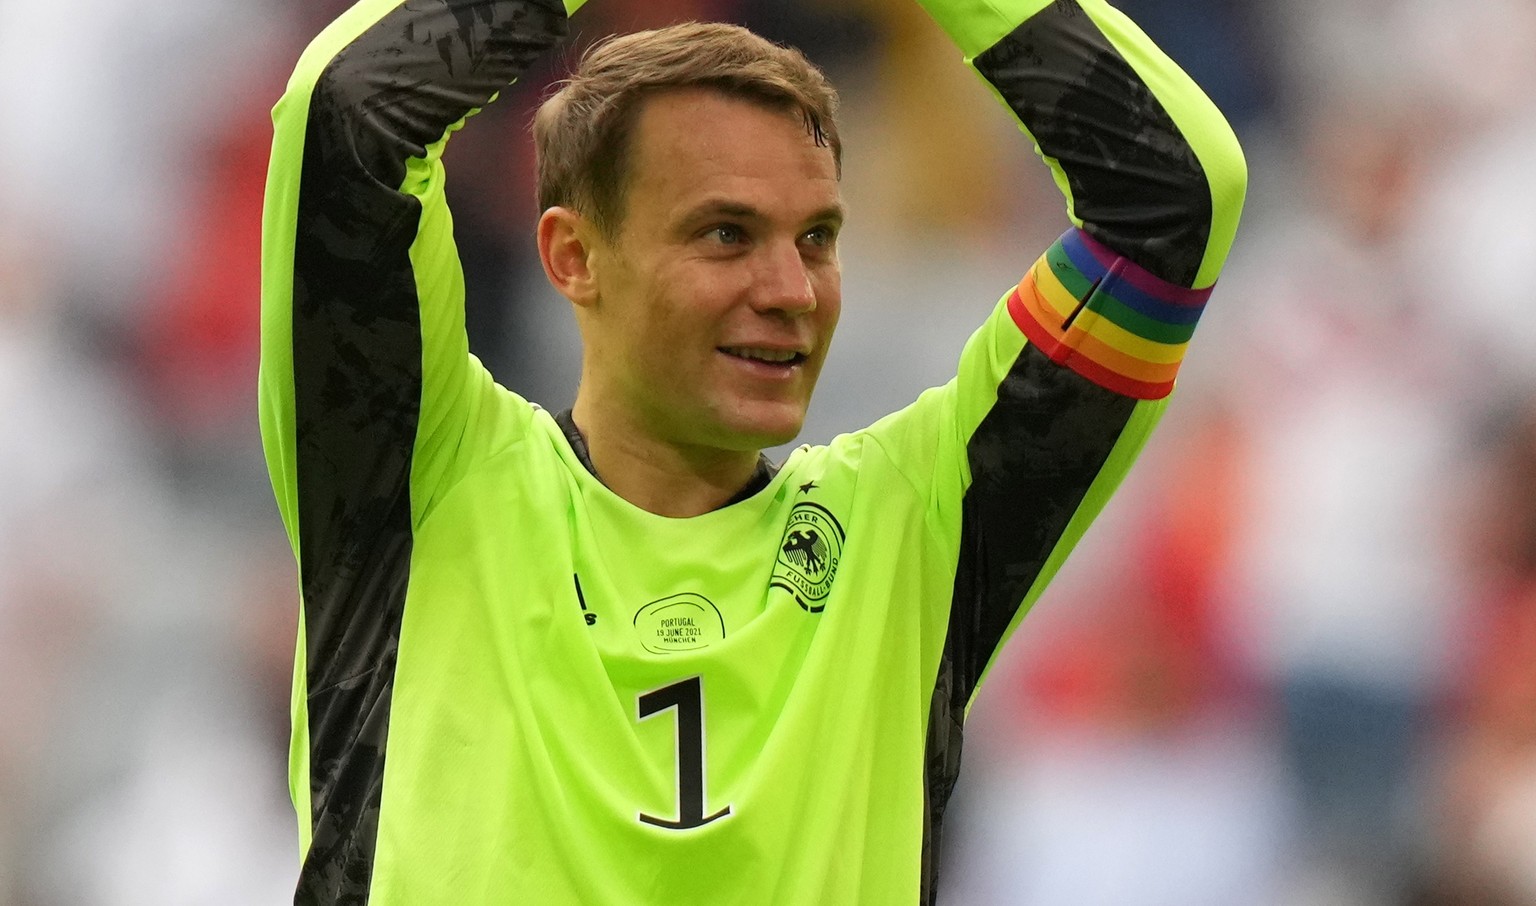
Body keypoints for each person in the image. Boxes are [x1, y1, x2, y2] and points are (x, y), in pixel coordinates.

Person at [258, 0, 1246, 902]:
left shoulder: (911, 534)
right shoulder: (422, 483)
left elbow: (1174, 191)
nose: (791, 289)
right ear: (572, 256)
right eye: (725, 235)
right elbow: (351, 111)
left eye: (816, 237)